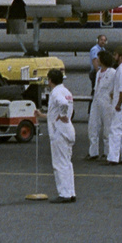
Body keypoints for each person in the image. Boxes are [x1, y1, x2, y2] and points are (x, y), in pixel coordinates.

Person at [46, 68, 75, 203]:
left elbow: (62, 104)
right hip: (68, 129)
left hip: (59, 131)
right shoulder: (67, 91)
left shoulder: (56, 92)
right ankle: (70, 191)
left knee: (59, 163)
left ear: (50, 80)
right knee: (67, 163)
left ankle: (64, 193)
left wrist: (62, 115)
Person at [87, 49, 116, 161]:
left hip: (107, 102)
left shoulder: (113, 73)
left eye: (99, 58)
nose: (97, 60)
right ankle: (93, 152)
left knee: (107, 129)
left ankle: (108, 152)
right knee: (92, 126)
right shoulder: (98, 73)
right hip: (97, 101)